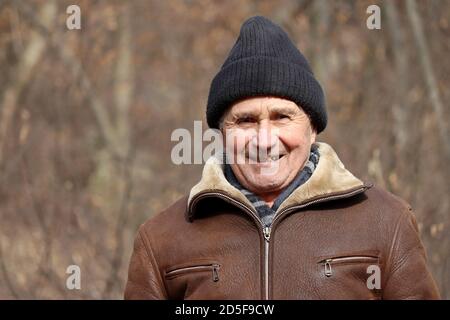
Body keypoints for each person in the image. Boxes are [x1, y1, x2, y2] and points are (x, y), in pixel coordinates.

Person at [124, 16, 440, 299]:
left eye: (281, 117)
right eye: (245, 120)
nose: (264, 140)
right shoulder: (161, 240)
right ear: (222, 134)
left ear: (312, 128)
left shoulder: (387, 222)